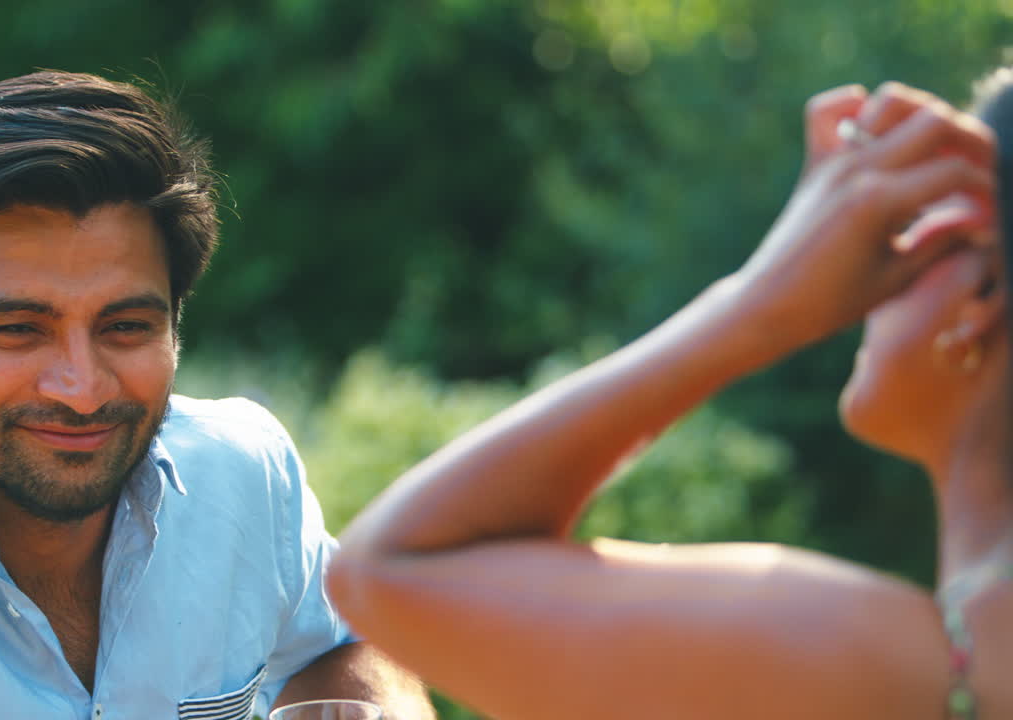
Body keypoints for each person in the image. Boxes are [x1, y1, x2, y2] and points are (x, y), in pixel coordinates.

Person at [0, 71, 433, 720]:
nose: (82, 388)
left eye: (126, 327)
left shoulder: (243, 474)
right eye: (17, 330)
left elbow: (349, 642)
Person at [327, 77, 1013, 719]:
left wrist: (760, 302)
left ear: (981, 293)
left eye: (912, 225)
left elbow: (391, 568)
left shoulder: (933, 667)